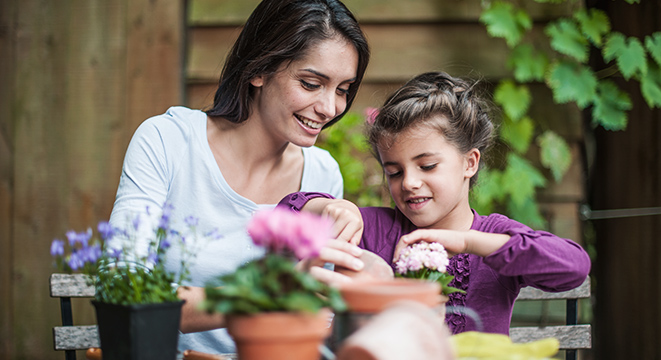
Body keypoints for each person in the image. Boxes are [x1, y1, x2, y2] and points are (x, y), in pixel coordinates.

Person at [108, 0, 369, 354]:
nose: (329, 108)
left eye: (342, 90)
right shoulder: (169, 142)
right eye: (311, 84)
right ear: (259, 70)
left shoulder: (322, 174)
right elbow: (124, 290)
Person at [279, 71, 591, 335]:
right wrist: (327, 207)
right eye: (394, 172)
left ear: (469, 163)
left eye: (427, 166)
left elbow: (574, 267)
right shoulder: (374, 228)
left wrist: (468, 241)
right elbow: (282, 219)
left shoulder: (493, 236)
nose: (409, 182)